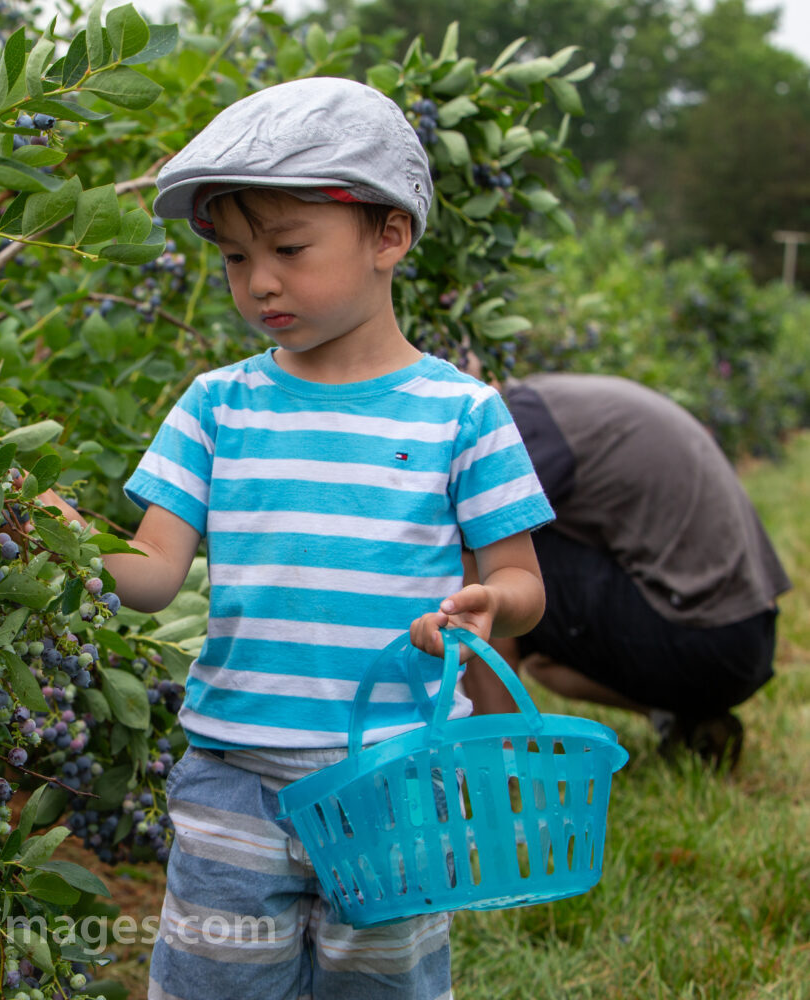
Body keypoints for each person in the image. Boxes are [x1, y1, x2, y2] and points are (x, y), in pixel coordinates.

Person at [39, 77, 554, 1000]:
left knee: (382, 985)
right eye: (236, 259)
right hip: (233, 775)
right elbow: (153, 574)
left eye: (287, 248)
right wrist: (69, 545)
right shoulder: (217, 406)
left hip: (395, 777)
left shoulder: (463, 415)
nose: (260, 282)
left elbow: (521, 580)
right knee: (217, 983)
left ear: (388, 235)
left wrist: (489, 605)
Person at [478, 372, 790, 770]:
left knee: (492, 564)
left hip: (705, 635)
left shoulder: (519, 425)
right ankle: (677, 718)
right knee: (539, 650)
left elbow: (477, 544)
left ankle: (498, 759)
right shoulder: (555, 402)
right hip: (744, 635)